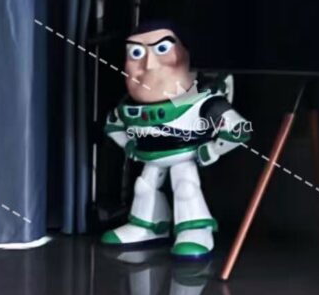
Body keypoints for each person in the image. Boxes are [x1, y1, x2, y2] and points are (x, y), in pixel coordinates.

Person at [101, 19, 251, 259]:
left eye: (162, 49)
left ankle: (195, 230)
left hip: (185, 156)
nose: (149, 64)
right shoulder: (127, 109)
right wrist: (129, 145)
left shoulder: (204, 102)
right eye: (136, 53)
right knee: (144, 187)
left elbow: (238, 129)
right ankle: (148, 225)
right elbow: (113, 126)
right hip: (150, 156)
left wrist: (213, 149)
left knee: (185, 187)